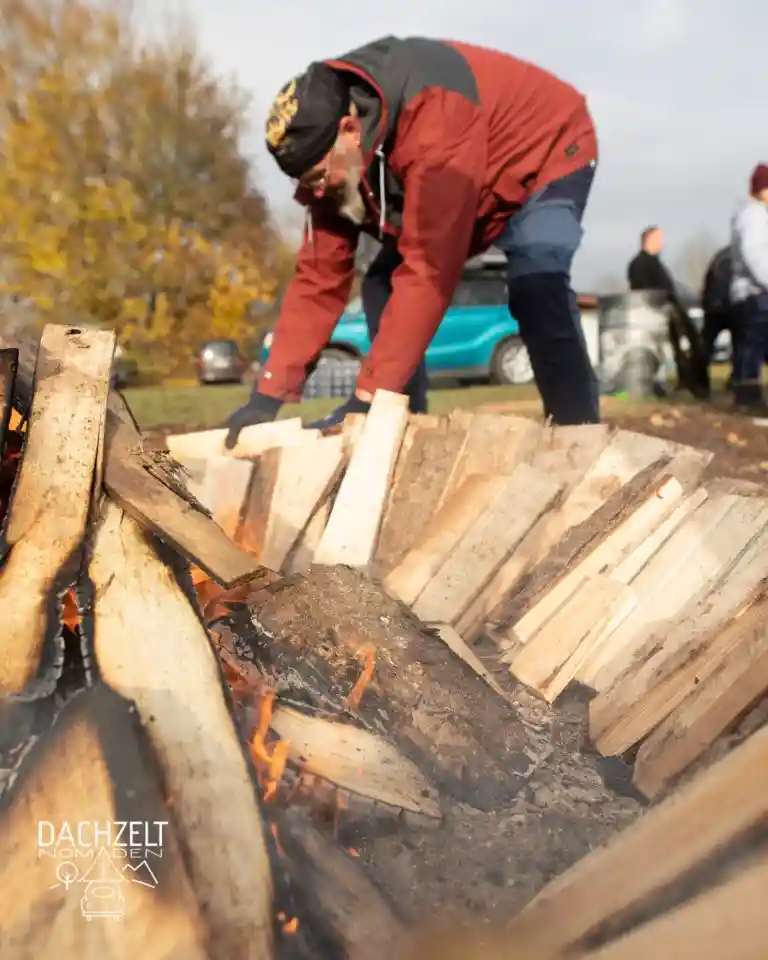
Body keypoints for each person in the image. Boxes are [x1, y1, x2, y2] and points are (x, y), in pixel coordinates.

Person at [224, 35, 601, 448]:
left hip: (547, 150)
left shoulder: (435, 115)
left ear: (349, 130)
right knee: (380, 283)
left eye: (316, 177)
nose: (313, 193)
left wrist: (368, 397)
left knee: (536, 282)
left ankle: (576, 439)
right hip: (474, 173)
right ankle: (402, 433)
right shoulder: (337, 142)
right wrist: (268, 394)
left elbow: (429, 267)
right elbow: (319, 278)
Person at [626, 226, 709, 398]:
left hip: (672, 310)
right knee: (677, 348)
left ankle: (693, 383)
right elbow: (642, 291)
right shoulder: (640, 264)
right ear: (648, 240)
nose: (661, 243)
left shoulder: (656, 263)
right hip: (660, 313)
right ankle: (688, 384)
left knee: (692, 344)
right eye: (658, 239)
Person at [730, 163, 768, 414]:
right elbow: (756, 254)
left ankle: (748, 396)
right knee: (753, 344)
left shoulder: (756, 214)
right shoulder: (754, 215)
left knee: (756, 344)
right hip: (755, 292)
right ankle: (748, 399)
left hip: (757, 291)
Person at [700, 245, 734, 387]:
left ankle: (699, 381)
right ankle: (737, 380)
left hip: (714, 305)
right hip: (727, 304)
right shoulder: (740, 255)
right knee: (743, 344)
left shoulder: (722, 255)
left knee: (705, 345)